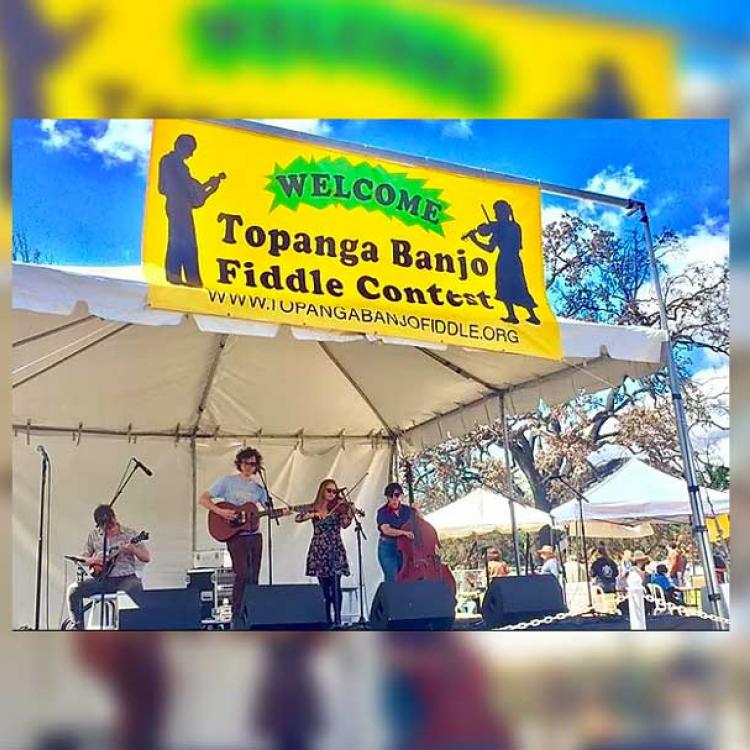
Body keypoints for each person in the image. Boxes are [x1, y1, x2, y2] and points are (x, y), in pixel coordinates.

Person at [199, 447, 290, 625]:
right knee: (241, 573)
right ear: (239, 463)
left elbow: (269, 511)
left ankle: (252, 611)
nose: (249, 466)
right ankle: (236, 614)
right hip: (235, 535)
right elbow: (203, 499)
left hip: (254, 535)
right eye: (246, 463)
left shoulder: (259, 489)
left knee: (253, 575)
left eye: (253, 464)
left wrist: (283, 512)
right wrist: (221, 511)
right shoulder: (227, 482)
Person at [67, 504, 150, 630]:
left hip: (126, 578)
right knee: (73, 590)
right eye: (105, 527)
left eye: (111, 526)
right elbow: (83, 558)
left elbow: (147, 557)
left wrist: (132, 549)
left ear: (114, 518)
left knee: (132, 590)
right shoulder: (94, 535)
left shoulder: (130, 534)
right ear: (99, 525)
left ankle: (129, 629)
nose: (110, 530)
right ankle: (77, 627)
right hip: (103, 580)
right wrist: (94, 560)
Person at [158, 133, 224, 287]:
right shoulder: (171, 162)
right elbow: (189, 191)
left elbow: (194, 194)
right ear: (182, 146)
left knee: (185, 241)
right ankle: (179, 275)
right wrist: (207, 187)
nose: (191, 154)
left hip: (181, 207)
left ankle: (188, 277)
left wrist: (209, 187)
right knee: (181, 240)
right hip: (177, 206)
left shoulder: (177, 165)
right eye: (190, 149)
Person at [464, 199, 540, 326]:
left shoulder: (501, 229)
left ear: (501, 212)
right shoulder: (515, 226)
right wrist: (494, 229)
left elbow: (490, 248)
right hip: (516, 260)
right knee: (520, 286)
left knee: (505, 287)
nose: (495, 215)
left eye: (497, 212)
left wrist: (475, 240)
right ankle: (532, 315)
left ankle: (512, 315)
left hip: (505, 260)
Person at [295, 478, 354, 627]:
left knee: (336, 586)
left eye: (335, 491)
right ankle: (327, 620)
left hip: (335, 547)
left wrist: (350, 514)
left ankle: (338, 620)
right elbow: (298, 518)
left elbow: (345, 524)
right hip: (319, 549)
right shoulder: (314, 507)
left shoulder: (339, 507)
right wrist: (314, 515)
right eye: (329, 490)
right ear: (322, 491)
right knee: (325, 589)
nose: (332, 494)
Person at [376, 482, 414, 583]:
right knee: (392, 577)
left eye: (396, 495)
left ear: (401, 496)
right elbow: (386, 530)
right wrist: (404, 533)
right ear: (387, 497)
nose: (394, 498)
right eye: (390, 495)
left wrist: (417, 510)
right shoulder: (382, 512)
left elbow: (421, 523)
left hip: (404, 548)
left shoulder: (407, 510)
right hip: (388, 547)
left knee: (405, 578)